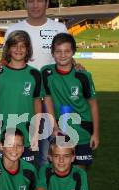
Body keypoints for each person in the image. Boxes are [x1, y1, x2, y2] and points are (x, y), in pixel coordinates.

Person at [0, 0, 69, 167]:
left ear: (47, 3)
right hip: (21, 99)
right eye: (31, 1)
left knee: (53, 151)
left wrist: (76, 65)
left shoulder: (59, 28)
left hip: (51, 98)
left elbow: (66, 56)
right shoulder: (13, 29)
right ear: (25, 3)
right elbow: (5, 60)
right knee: (24, 149)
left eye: (39, 0)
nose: (35, 5)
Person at [42, 33, 99, 169]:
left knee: (80, 172)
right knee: (60, 170)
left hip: (83, 130)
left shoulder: (83, 76)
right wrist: (55, 127)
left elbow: (93, 106)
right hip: (61, 130)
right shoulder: (46, 73)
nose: (62, 55)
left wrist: (96, 133)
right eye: (58, 51)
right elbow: (47, 100)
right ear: (52, 53)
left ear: (73, 52)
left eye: (67, 51)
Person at [0, 30, 42, 163]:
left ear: (28, 49)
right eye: (14, 46)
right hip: (2, 132)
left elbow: (37, 103)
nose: (18, 49)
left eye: (23, 46)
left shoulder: (35, 74)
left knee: (26, 176)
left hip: (27, 134)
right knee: (1, 176)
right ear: (8, 49)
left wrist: (36, 134)